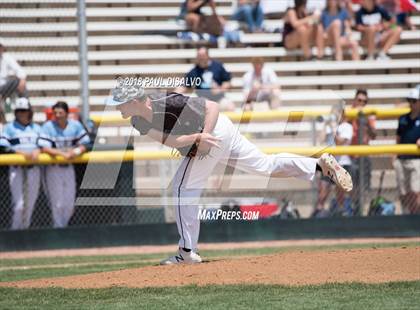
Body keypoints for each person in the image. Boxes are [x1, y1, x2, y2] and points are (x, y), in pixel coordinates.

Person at [106, 84, 353, 264]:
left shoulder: (167, 102)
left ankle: (186, 252)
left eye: (121, 103)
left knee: (182, 189)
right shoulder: (138, 121)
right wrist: (197, 137)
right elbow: (170, 141)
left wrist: (206, 134)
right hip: (211, 136)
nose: (118, 108)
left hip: (217, 130)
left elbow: (211, 106)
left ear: (136, 100)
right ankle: (318, 165)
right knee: (264, 166)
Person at [38, 101, 90, 228]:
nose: (58, 115)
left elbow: (85, 143)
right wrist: (63, 154)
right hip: (53, 168)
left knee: (69, 204)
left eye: (61, 112)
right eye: (55, 113)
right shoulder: (48, 126)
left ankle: (64, 228)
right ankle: (58, 229)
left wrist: (75, 151)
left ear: (67, 113)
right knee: (57, 203)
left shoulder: (75, 125)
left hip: (69, 167)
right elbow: (44, 148)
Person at [0, 98, 41, 230]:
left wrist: (38, 149)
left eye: (24, 111)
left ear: (30, 112)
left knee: (29, 205)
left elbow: (47, 144)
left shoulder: (37, 128)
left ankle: (25, 233)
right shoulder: (9, 128)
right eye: (19, 111)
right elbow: (3, 147)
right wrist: (21, 153)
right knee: (19, 206)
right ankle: (15, 233)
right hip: (17, 168)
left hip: (33, 168)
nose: (22, 113)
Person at [313, 105, 354, 217]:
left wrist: (334, 128)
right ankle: (319, 212)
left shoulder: (347, 127)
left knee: (340, 193)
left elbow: (340, 142)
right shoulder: (330, 126)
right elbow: (320, 141)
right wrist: (326, 126)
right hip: (328, 164)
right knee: (323, 191)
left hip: (342, 163)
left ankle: (342, 213)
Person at [177, 47, 235, 111]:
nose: (201, 58)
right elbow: (184, 86)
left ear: (208, 56)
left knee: (230, 106)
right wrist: (172, 96)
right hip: (203, 99)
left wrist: (220, 89)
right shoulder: (194, 71)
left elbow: (227, 82)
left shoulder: (218, 66)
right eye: (199, 56)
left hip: (219, 98)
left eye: (203, 56)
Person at [394, 87, 420, 214]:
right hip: (402, 158)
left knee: (416, 191)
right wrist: (394, 157)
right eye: (409, 100)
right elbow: (398, 138)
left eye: (414, 101)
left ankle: (415, 218)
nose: (411, 103)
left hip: (416, 159)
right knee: (403, 191)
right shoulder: (403, 118)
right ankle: (406, 216)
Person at [350, 89, 376, 214]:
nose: (361, 103)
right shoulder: (348, 112)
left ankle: (363, 211)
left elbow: (374, 135)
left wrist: (366, 123)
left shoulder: (368, 115)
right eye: (359, 100)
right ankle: (353, 209)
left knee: (365, 186)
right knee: (351, 186)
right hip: (350, 156)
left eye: (364, 102)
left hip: (364, 155)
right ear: (355, 101)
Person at [0, 39, 28, 122]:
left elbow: (19, 70)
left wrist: (22, 80)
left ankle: (25, 106)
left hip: (4, 87)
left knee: (18, 82)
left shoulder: (6, 57)